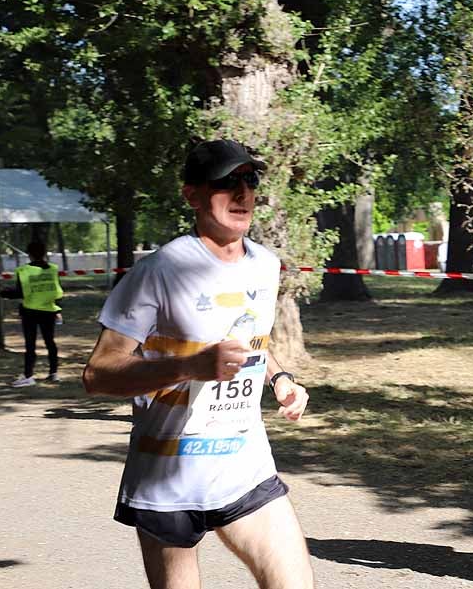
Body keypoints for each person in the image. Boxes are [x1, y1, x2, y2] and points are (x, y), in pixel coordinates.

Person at [83, 139, 314, 589]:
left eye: (250, 180)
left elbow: (252, 339)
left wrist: (280, 378)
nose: (243, 194)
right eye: (227, 182)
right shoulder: (160, 270)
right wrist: (190, 366)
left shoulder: (265, 265)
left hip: (243, 467)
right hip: (167, 477)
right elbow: (98, 373)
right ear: (192, 195)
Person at [1, 241, 64, 386]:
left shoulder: (24, 271)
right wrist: (59, 309)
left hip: (30, 311)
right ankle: (53, 373)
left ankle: (29, 376)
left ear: (29, 254)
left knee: (30, 345)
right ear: (44, 252)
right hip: (49, 311)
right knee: (50, 342)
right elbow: (55, 291)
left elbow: (19, 292)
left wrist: (0, 292)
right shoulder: (53, 269)